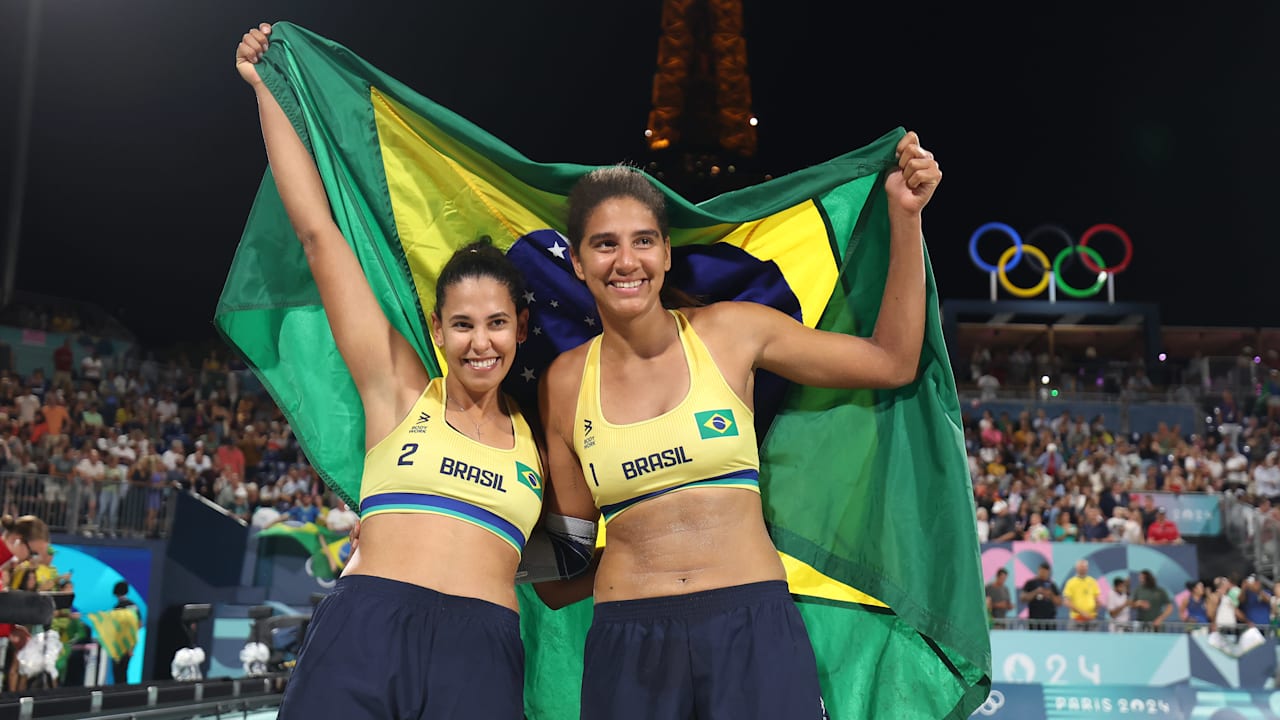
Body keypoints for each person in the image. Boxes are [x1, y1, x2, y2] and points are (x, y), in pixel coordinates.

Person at [536, 129, 940, 715]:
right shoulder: (564, 382)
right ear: (576, 261)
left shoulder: (734, 331)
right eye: (604, 245)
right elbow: (560, 572)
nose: (626, 261)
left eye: (643, 240)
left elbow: (892, 361)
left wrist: (905, 217)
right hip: (630, 639)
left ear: (667, 252)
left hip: (752, 623)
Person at [237, 25, 560, 718]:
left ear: (522, 331)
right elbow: (320, 236)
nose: (481, 342)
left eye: (498, 323)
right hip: (368, 629)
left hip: (484, 650)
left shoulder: (544, 438)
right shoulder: (401, 390)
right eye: (464, 325)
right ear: (438, 332)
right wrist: (270, 90)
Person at [1062, 559, 1100, 631]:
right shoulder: (1071, 582)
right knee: (1075, 641)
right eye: (1081, 567)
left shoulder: (1093, 581)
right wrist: (1081, 612)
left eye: (1084, 567)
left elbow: (1096, 598)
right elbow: (1066, 602)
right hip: (1077, 619)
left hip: (1091, 619)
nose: (1083, 569)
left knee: (1093, 641)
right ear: (1076, 568)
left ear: (1087, 568)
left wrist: (1097, 607)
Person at [1021, 563, 1061, 630]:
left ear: (1049, 572)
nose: (1043, 573)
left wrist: (1051, 594)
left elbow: (1059, 602)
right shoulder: (1030, 583)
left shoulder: (1052, 585)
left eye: (1045, 572)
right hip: (1034, 620)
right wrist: (1036, 592)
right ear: (1038, 570)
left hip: (1049, 620)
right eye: (1042, 571)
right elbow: (1023, 598)